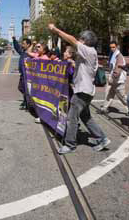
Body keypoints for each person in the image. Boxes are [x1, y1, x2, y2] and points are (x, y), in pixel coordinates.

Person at [48, 23, 111, 154]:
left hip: (82, 91)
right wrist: (72, 62)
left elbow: (71, 39)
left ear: (85, 41)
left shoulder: (88, 50)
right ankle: (102, 138)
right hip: (86, 91)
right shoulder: (90, 53)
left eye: (81, 39)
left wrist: (56, 30)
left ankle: (70, 144)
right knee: (86, 117)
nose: (79, 41)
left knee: (72, 117)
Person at [101, 41, 128, 114]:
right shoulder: (112, 54)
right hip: (112, 79)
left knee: (122, 96)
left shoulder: (119, 56)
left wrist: (113, 77)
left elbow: (118, 68)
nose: (112, 48)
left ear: (117, 46)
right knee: (108, 93)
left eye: (113, 47)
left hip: (118, 80)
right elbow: (112, 66)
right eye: (111, 47)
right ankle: (104, 108)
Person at [12, 36, 32, 110]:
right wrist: (14, 40)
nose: (22, 45)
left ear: (28, 45)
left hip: (28, 75)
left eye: (23, 44)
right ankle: (26, 101)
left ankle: (28, 104)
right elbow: (17, 48)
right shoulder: (23, 51)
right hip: (22, 74)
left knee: (26, 89)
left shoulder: (31, 53)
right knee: (21, 87)